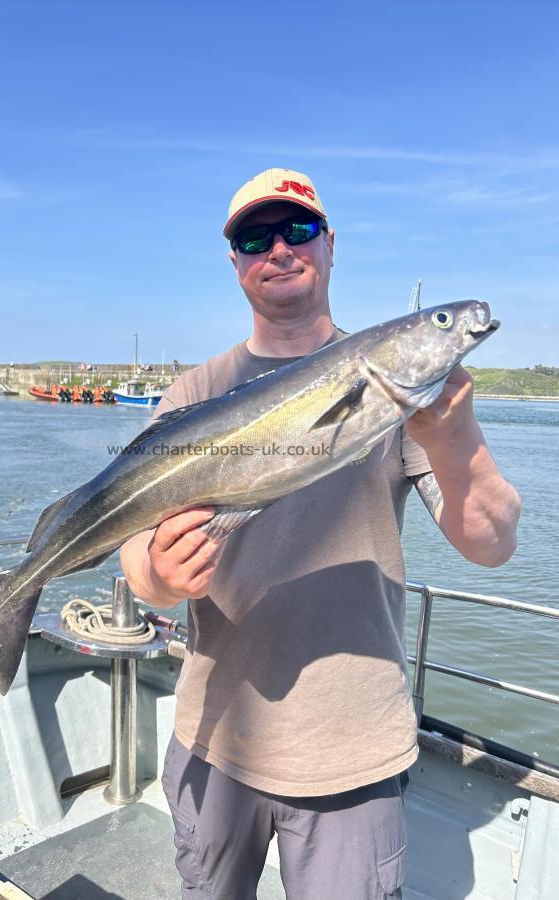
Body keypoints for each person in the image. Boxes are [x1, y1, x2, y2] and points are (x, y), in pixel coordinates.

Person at [120, 168, 521, 899]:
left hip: (353, 750)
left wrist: (457, 440)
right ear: (235, 263)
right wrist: (156, 576)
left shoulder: (411, 404)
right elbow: (134, 548)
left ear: (330, 245)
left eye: (297, 230)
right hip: (214, 738)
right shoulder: (193, 395)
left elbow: (490, 543)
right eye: (254, 237)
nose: (278, 249)